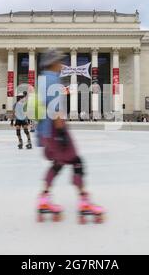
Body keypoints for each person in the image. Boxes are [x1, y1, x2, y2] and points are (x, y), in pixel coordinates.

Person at [36, 49, 104, 224]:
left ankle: (43, 200)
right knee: (77, 162)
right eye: (59, 61)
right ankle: (84, 202)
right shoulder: (52, 80)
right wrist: (61, 134)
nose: (62, 64)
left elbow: (38, 109)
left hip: (44, 131)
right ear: (52, 63)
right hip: (54, 130)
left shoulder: (41, 79)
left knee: (58, 164)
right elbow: (53, 109)